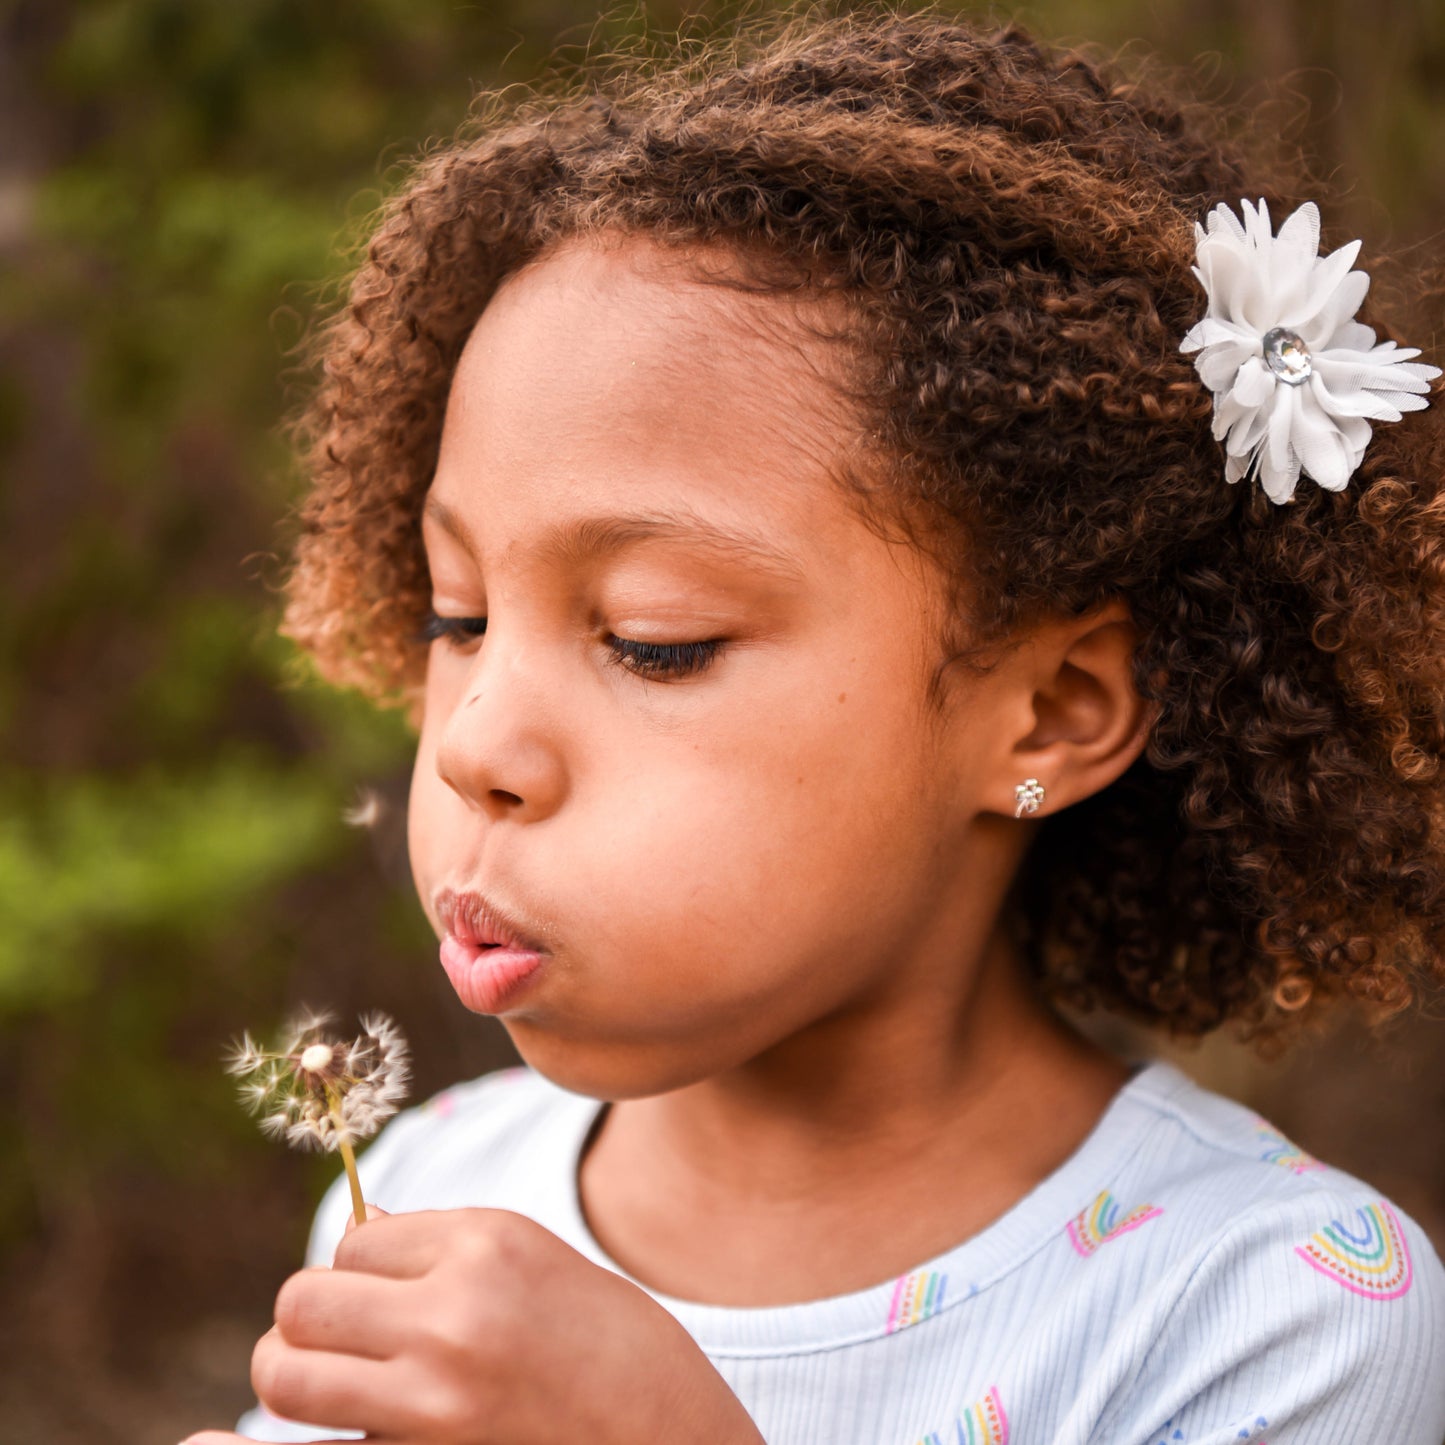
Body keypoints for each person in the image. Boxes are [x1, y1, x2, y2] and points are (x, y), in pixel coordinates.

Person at [188, 10, 1445, 1443]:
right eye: (459, 614)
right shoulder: (426, 1186)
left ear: (1050, 710)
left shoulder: (1274, 1314)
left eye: (657, 640)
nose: (477, 742)